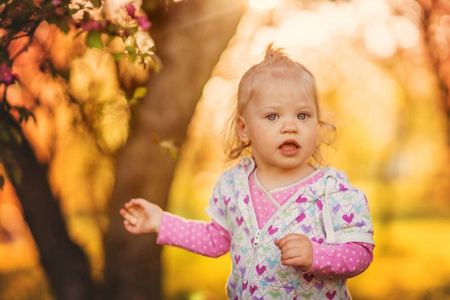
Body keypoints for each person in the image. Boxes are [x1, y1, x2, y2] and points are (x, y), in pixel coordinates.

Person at [120, 44, 375, 300]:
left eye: (303, 115)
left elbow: (361, 252)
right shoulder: (233, 184)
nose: (290, 127)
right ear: (244, 128)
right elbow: (215, 239)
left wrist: (316, 255)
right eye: (273, 116)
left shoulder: (331, 190)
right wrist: (162, 222)